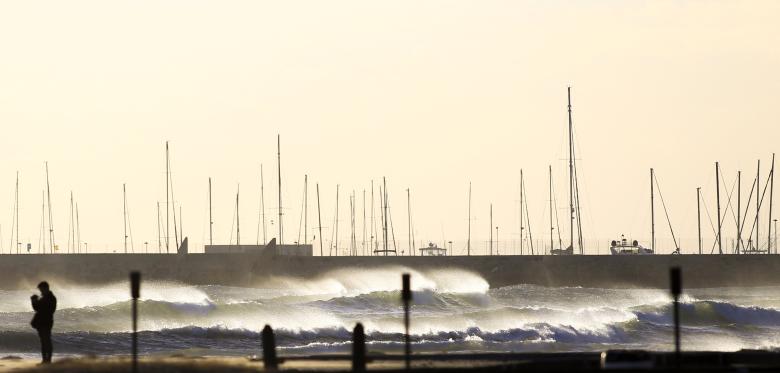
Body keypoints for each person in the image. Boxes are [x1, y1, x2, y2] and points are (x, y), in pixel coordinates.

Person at [30, 281, 57, 364]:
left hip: (46, 322)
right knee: (44, 341)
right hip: (42, 323)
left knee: (46, 341)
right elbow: (37, 309)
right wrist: (34, 301)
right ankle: (45, 360)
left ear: (46, 288)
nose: (40, 291)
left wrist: (36, 302)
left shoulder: (50, 298)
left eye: (41, 289)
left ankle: (47, 360)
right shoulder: (45, 297)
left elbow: (45, 310)